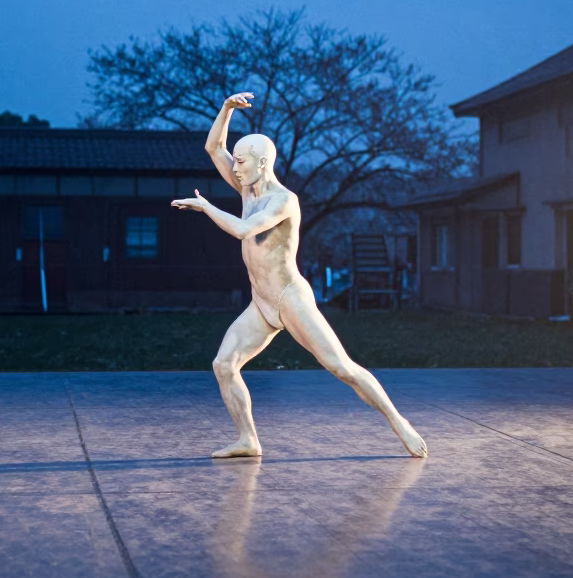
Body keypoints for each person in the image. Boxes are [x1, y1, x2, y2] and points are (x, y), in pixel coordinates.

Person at [171, 92, 428, 458]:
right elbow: (214, 147)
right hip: (261, 301)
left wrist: (207, 206)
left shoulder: (282, 200)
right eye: (236, 161)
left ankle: (399, 422)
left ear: (261, 164)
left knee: (341, 367)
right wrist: (226, 109)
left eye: (241, 162)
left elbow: (246, 230)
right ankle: (249, 440)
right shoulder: (247, 187)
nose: (235, 167)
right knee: (223, 364)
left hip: (288, 296)